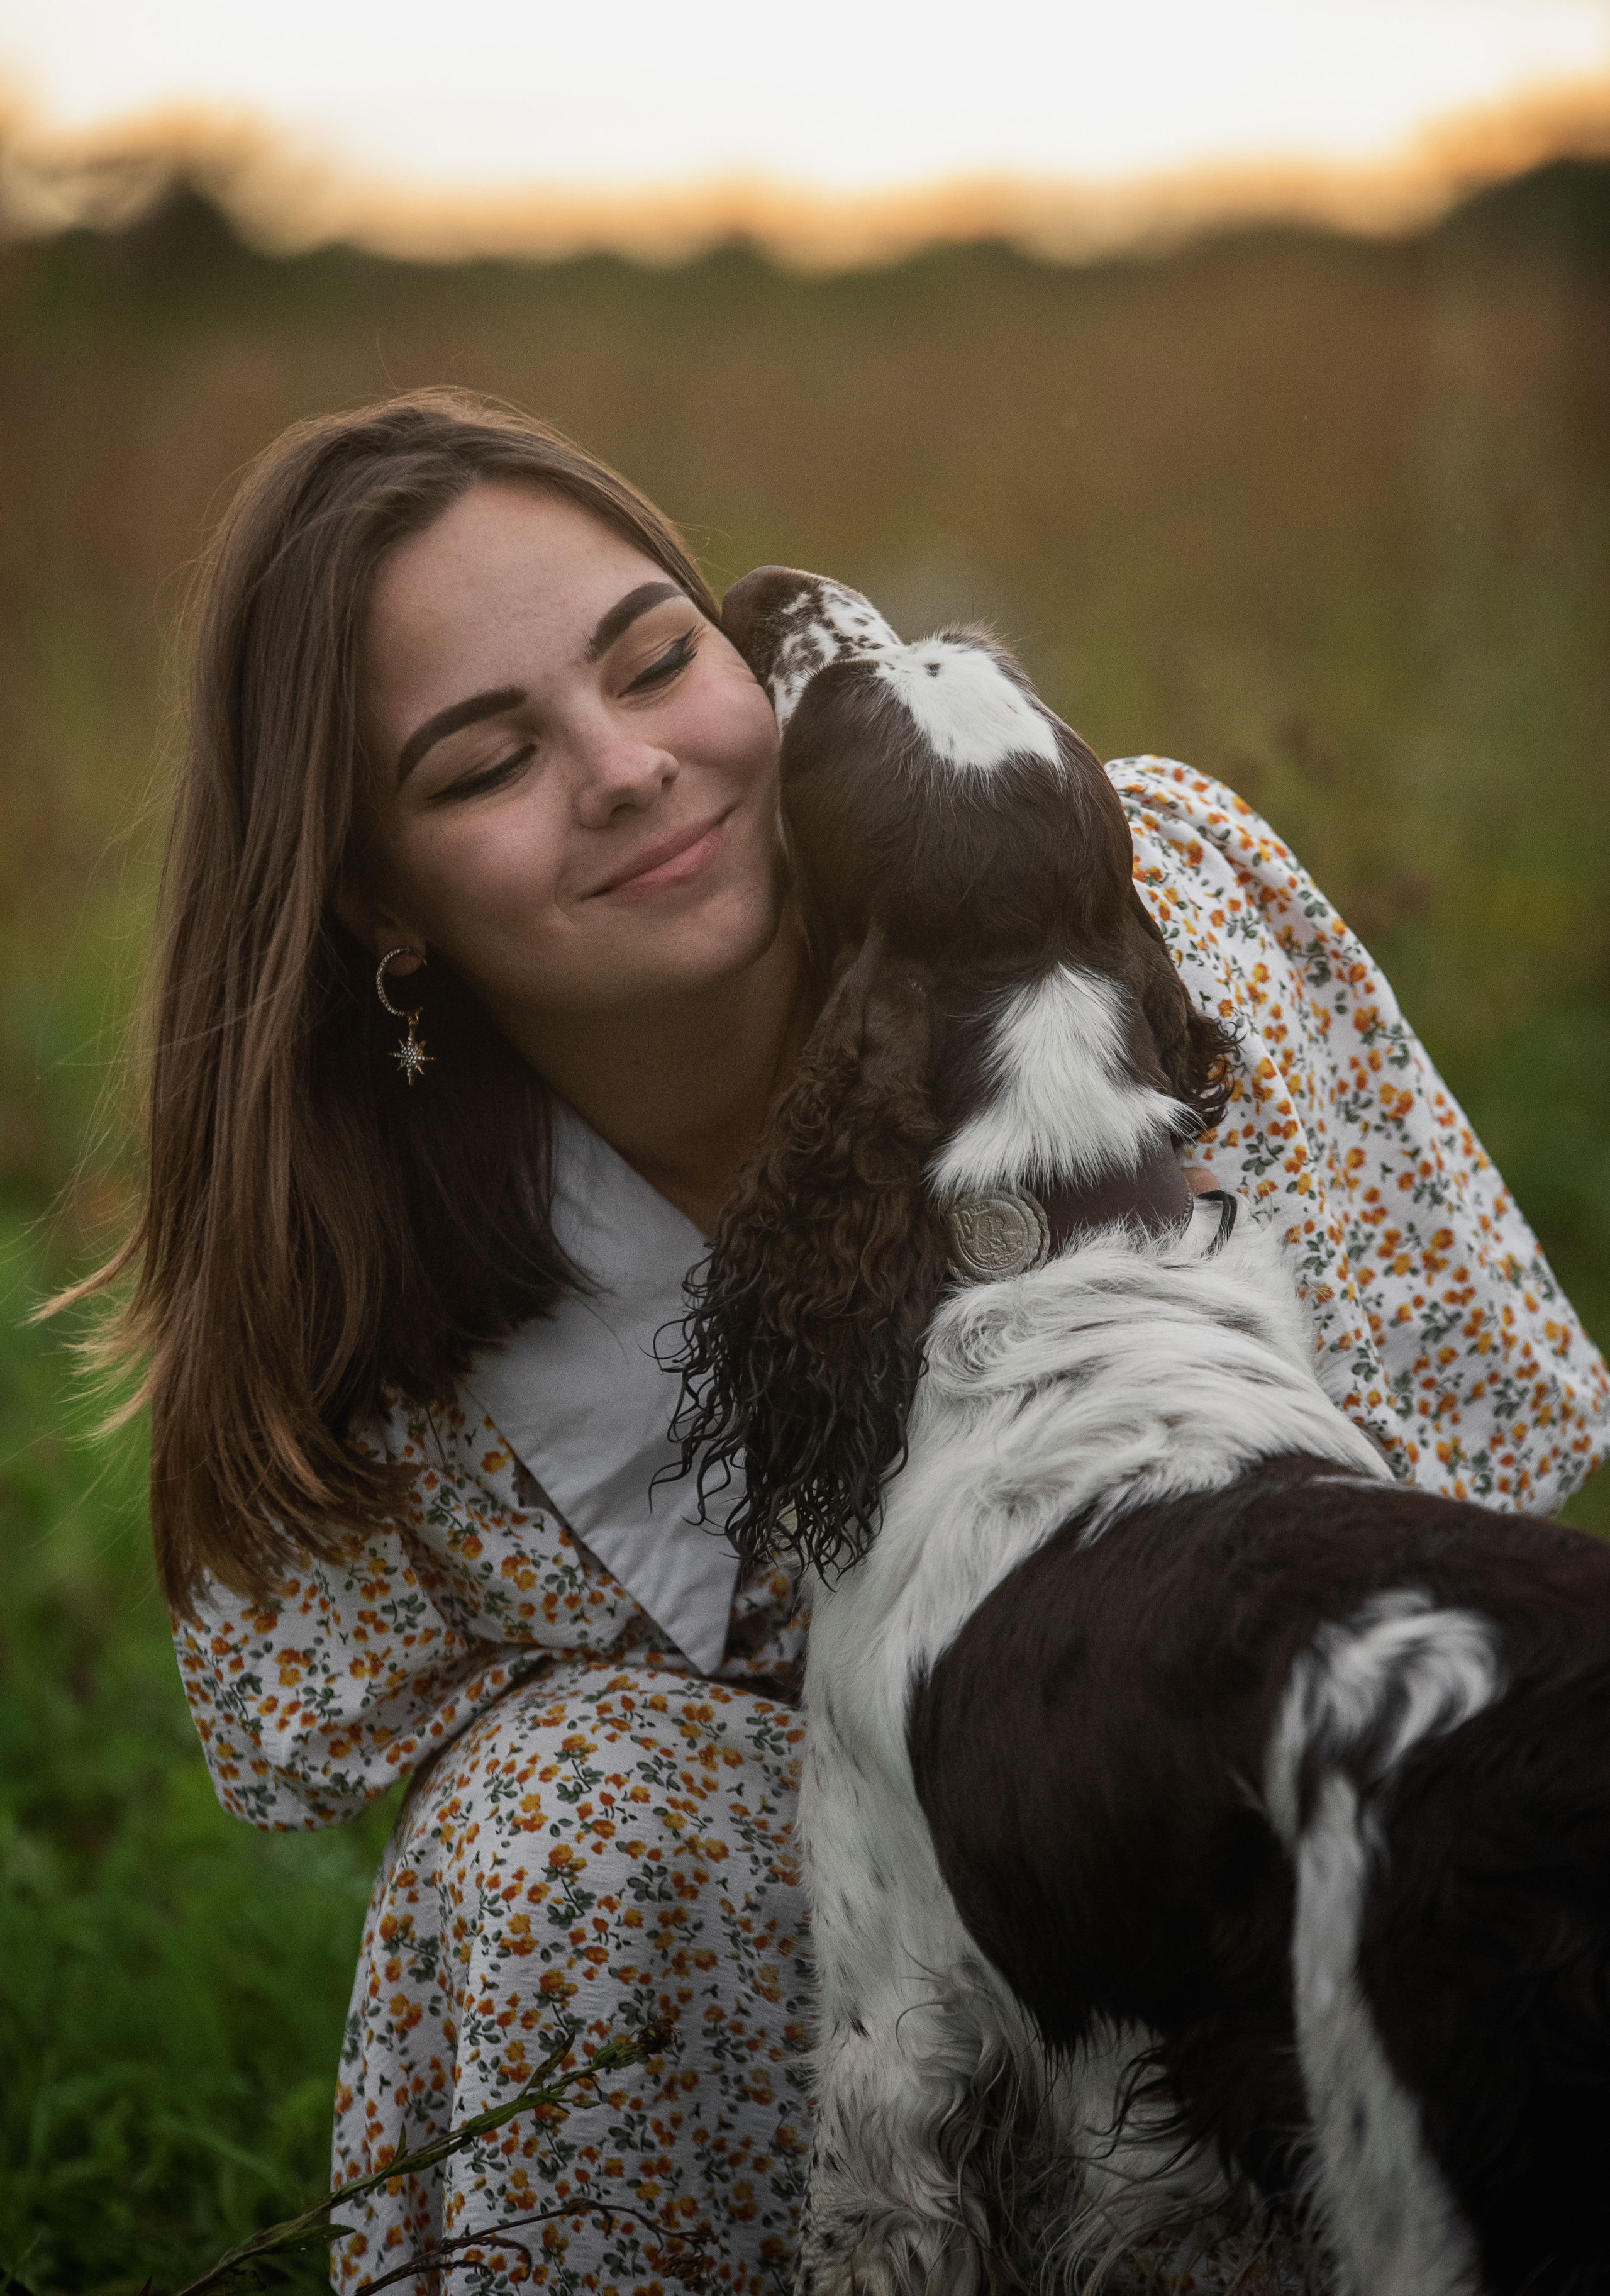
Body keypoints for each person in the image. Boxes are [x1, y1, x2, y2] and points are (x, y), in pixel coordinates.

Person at [79, 391, 1608, 2296]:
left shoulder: (1141, 926)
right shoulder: (372, 1299)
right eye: (487, 763)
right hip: (821, 2045)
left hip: (1286, 1971)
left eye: (656, 658)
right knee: (562, 1815)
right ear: (377, 894)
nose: (631, 768)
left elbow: (1436, 1627)